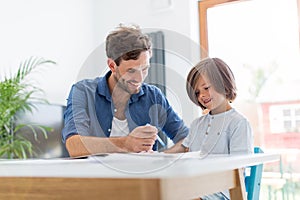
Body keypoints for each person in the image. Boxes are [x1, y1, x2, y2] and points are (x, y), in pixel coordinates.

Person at [62, 24, 189, 157]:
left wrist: (159, 158)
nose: (139, 78)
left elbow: (187, 140)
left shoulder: (154, 96)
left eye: (145, 69)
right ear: (112, 65)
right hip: (97, 175)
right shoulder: (83, 92)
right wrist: (125, 144)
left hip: (143, 176)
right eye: (131, 71)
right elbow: (74, 146)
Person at [165, 57, 253, 200]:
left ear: (223, 83)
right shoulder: (197, 124)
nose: (202, 96)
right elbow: (183, 147)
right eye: (197, 92)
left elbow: (239, 167)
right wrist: (158, 155)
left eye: (206, 88)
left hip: (222, 191)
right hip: (196, 187)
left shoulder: (238, 123)